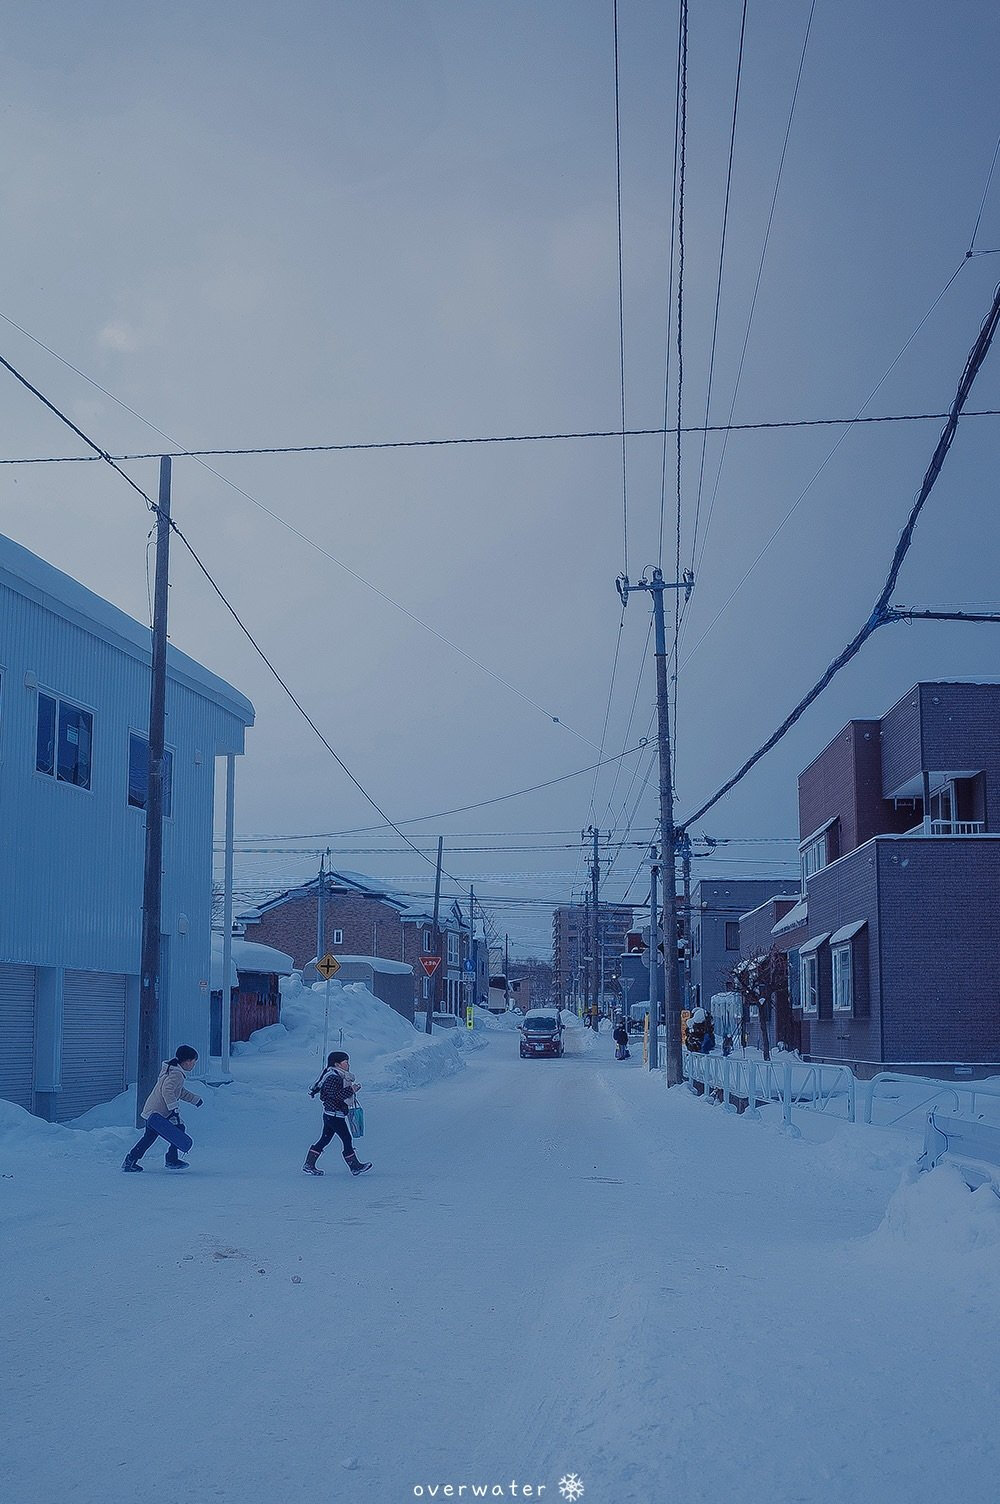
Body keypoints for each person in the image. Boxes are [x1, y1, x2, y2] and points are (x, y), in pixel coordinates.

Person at [122, 1046, 203, 1171]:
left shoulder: (172, 1070)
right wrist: (174, 1108)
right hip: (158, 1113)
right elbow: (167, 1090)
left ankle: (131, 1160)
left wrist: (194, 1099)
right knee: (178, 1129)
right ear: (187, 1061)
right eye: (194, 1062)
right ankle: (171, 1159)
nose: (194, 1065)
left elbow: (178, 1091)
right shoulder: (176, 1074)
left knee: (150, 1137)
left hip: (154, 1112)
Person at [303, 1051, 372, 1177]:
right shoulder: (333, 1077)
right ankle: (355, 1166)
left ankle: (309, 1164)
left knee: (325, 1139)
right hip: (334, 1114)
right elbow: (335, 1095)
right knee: (346, 1138)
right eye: (346, 1062)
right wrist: (351, 1089)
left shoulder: (337, 1075)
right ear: (337, 1064)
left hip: (332, 1114)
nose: (348, 1065)